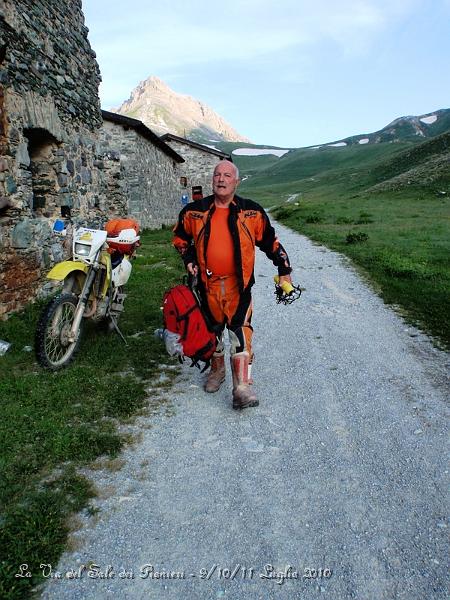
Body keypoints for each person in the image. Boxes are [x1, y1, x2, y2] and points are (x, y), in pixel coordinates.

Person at [172, 160, 293, 410]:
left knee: (239, 331)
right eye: (217, 174)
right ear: (211, 180)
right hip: (207, 286)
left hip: (239, 287)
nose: (221, 179)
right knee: (212, 331)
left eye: (227, 175)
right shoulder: (194, 212)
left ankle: (242, 386)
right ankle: (217, 372)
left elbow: (271, 242)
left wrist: (284, 271)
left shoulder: (252, 212)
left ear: (236, 181)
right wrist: (189, 260)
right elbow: (180, 238)